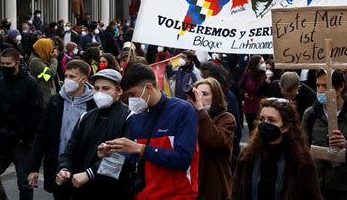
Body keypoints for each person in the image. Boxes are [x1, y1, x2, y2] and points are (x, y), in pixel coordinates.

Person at [103, 62, 199, 199]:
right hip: (143, 194)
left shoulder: (182, 110)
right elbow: (131, 158)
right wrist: (110, 153)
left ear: (148, 88)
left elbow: (183, 160)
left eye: (132, 94)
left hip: (177, 196)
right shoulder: (136, 117)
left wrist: (141, 149)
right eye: (127, 97)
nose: (130, 100)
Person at [56, 69, 133, 199]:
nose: (99, 93)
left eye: (106, 88)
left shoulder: (129, 118)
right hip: (81, 191)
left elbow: (123, 158)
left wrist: (89, 174)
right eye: (96, 88)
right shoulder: (86, 117)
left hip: (113, 192)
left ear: (119, 91)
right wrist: (64, 169)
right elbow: (70, 151)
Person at [27, 60, 95, 199]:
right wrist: (33, 168)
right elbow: (41, 136)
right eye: (66, 76)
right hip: (58, 168)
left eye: (72, 77)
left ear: (84, 79)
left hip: (83, 171)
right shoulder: (55, 102)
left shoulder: (94, 104)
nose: (67, 80)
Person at [232, 97, 322, 199]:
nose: (264, 124)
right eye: (261, 119)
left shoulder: (302, 161)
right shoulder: (247, 156)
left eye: (271, 120)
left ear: (285, 127)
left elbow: (313, 196)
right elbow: (236, 193)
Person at [0, 48, 43, 200]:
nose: (4, 66)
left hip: (22, 142)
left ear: (17, 63)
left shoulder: (30, 84)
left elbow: (36, 113)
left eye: (8, 63)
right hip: (2, 138)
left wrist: (26, 136)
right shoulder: (0, 83)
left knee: (24, 184)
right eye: (2, 63)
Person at [301, 69, 347, 200]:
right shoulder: (311, 114)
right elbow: (303, 148)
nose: (319, 90)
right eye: (318, 85)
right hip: (316, 186)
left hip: (345, 188)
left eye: (325, 86)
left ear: (340, 87)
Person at [189, 78, 236, 200]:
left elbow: (214, 139)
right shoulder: (190, 117)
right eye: (197, 94)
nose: (200, 98)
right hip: (192, 182)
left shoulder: (226, 118)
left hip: (214, 184)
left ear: (215, 97)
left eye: (205, 94)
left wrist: (200, 111)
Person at [28, 38, 59, 106]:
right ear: (44, 48)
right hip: (43, 96)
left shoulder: (43, 58)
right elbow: (51, 72)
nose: (52, 50)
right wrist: (54, 59)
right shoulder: (35, 61)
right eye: (50, 48)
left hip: (48, 92)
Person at [239, 55, 266, 133]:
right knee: (252, 130)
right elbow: (241, 86)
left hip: (261, 106)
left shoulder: (266, 74)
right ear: (255, 64)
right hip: (249, 106)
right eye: (261, 62)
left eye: (264, 62)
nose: (263, 64)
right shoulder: (248, 74)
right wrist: (244, 93)